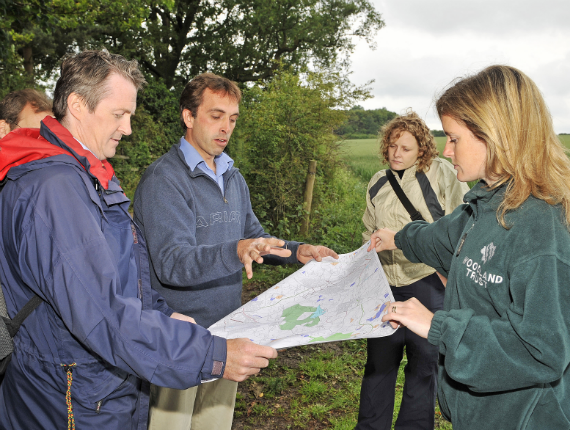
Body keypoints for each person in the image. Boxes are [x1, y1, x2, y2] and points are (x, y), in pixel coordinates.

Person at [0, 51, 278, 430]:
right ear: (78, 106)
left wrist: (162, 313)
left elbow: (123, 276)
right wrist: (212, 354)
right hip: (70, 396)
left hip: (99, 386)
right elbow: (102, 316)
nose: (128, 128)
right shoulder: (55, 188)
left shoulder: (90, 174)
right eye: (119, 115)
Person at [133, 72, 339, 430]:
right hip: (179, 336)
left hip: (228, 333)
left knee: (213, 424)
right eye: (216, 116)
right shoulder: (164, 180)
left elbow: (253, 238)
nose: (225, 128)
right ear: (188, 116)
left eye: (232, 119)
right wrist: (235, 250)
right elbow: (171, 264)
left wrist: (297, 251)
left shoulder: (232, 175)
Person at [370, 65, 570, 430]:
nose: (446, 151)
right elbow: (437, 238)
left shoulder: (542, 227)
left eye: (454, 138)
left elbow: (542, 351)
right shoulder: (485, 204)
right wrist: (395, 237)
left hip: (523, 416)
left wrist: (438, 325)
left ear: (495, 134)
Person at [356, 111, 468, 430]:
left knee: (423, 366)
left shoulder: (441, 173)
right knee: (379, 364)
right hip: (385, 286)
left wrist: (450, 274)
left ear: (422, 149)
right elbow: (368, 229)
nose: (396, 153)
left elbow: (462, 224)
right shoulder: (378, 181)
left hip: (428, 283)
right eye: (392, 146)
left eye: (405, 148)